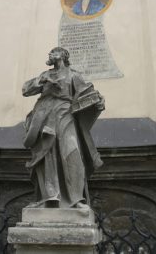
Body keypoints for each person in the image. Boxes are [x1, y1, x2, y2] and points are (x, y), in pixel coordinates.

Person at [22, 47, 104, 208]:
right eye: (50, 53)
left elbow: (88, 94)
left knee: (72, 153)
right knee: (47, 156)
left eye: (54, 52)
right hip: (44, 116)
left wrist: (98, 101)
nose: (50, 55)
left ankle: (76, 199)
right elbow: (26, 90)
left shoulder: (73, 75)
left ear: (63, 55)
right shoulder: (45, 75)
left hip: (66, 115)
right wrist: (42, 81)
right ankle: (50, 196)